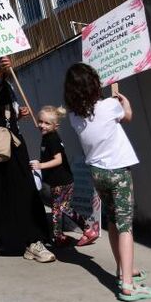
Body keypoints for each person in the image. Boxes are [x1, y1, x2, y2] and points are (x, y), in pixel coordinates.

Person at [64, 63, 151, 302]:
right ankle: (127, 285)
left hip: (97, 173)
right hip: (118, 172)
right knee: (126, 226)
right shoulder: (110, 106)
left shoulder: (74, 117)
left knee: (113, 221)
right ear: (94, 85)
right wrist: (124, 102)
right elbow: (128, 117)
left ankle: (123, 268)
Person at [0, 56, 53, 262]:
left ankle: (34, 240)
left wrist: (17, 114)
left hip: (11, 138)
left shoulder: (5, 73)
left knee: (24, 188)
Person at [30, 105, 99, 247]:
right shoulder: (47, 137)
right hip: (59, 181)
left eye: (47, 123)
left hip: (62, 181)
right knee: (62, 208)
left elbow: (58, 160)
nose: (42, 125)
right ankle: (74, 233)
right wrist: (40, 161)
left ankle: (63, 235)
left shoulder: (52, 138)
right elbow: (48, 156)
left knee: (59, 208)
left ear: (56, 125)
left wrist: (40, 166)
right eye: (40, 121)